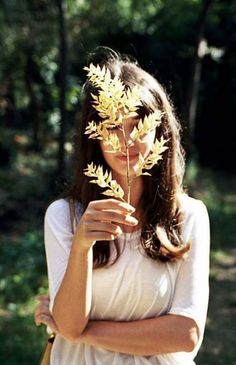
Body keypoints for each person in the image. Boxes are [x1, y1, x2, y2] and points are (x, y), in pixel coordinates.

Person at [34, 48, 210, 365]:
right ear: (95, 137)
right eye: (112, 127)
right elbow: (70, 323)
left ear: (160, 131)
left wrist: (84, 334)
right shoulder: (65, 216)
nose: (126, 141)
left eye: (138, 126)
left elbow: (185, 335)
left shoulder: (188, 216)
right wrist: (82, 246)